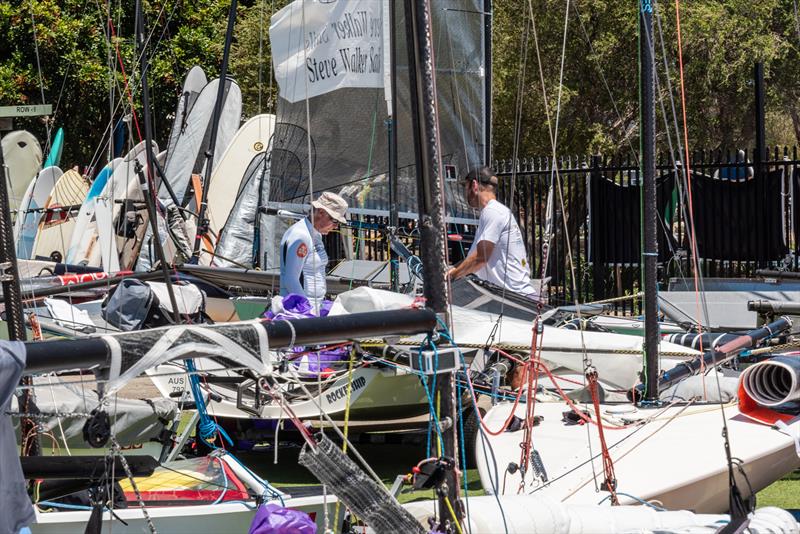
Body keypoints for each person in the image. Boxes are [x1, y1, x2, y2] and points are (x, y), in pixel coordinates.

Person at [447, 166, 537, 298]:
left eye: (466, 188)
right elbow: (473, 258)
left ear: (474, 185)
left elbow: (480, 259)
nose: (465, 193)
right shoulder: (494, 211)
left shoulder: (492, 211)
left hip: (514, 299)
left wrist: (451, 277)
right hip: (510, 297)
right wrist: (452, 269)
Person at [279, 192, 348, 313]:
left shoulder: (315, 235)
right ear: (321, 212)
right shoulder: (301, 236)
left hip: (315, 305)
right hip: (299, 308)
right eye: (335, 220)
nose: (336, 226)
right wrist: (306, 310)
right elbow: (290, 279)